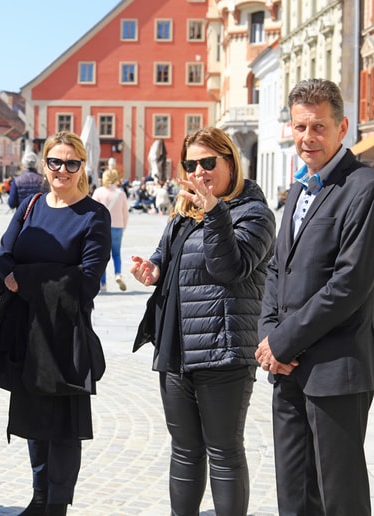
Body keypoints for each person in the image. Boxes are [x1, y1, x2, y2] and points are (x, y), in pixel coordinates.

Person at [130, 127, 276, 516]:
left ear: (230, 162)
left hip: (222, 350)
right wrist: (153, 269)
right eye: (191, 163)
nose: (199, 171)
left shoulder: (255, 214)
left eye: (208, 162)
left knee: (224, 452)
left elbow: (228, 267)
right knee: (183, 451)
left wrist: (215, 211)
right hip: (176, 347)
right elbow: (164, 254)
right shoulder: (185, 210)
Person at [256, 78, 374, 515]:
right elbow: (276, 268)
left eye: (319, 127)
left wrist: (284, 341)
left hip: (335, 371)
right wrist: (268, 338)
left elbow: (349, 285)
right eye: (300, 126)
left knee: (338, 498)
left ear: (342, 128)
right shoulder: (300, 187)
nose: (308, 137)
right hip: (286, 372)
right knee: (294, 496)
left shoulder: (363, 188)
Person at [0, 131, 111, 516]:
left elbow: (87, 281)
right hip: (26, 331)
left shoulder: (93, 215)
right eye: (55, 162)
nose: (62, 169)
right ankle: (39, 496)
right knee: (31, 418)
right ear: (44, 165)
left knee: (63, 424)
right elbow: (4, 256)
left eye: (71, 163)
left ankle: (57, 503)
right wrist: (29, 274)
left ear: (82, 168)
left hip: (65, 332)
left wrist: (25, 279)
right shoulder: (30, 206)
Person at [92, 167, 129, 292]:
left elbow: (93, 212)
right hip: (118, 227)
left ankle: (103, 285)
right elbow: (125, 213)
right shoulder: (121, 193)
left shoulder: (98, 192)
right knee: (117, 254)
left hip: (102, 228)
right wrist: (123, 227)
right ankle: (118, 274)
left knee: (102, 257)